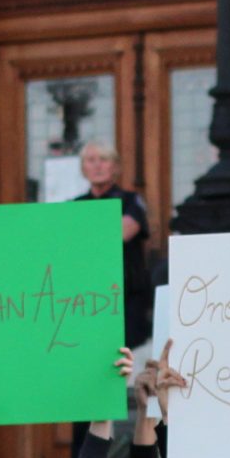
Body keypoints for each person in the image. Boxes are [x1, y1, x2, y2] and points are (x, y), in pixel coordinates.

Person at [77, 139, 155, 352]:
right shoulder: (76, 205)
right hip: (89, 295)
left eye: (103, 159)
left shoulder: (130, 200)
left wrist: (83, 237)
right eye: (91, 160)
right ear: (83, 168)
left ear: (115, 166)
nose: (97, 165)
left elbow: (124, 232)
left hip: (127, 295)